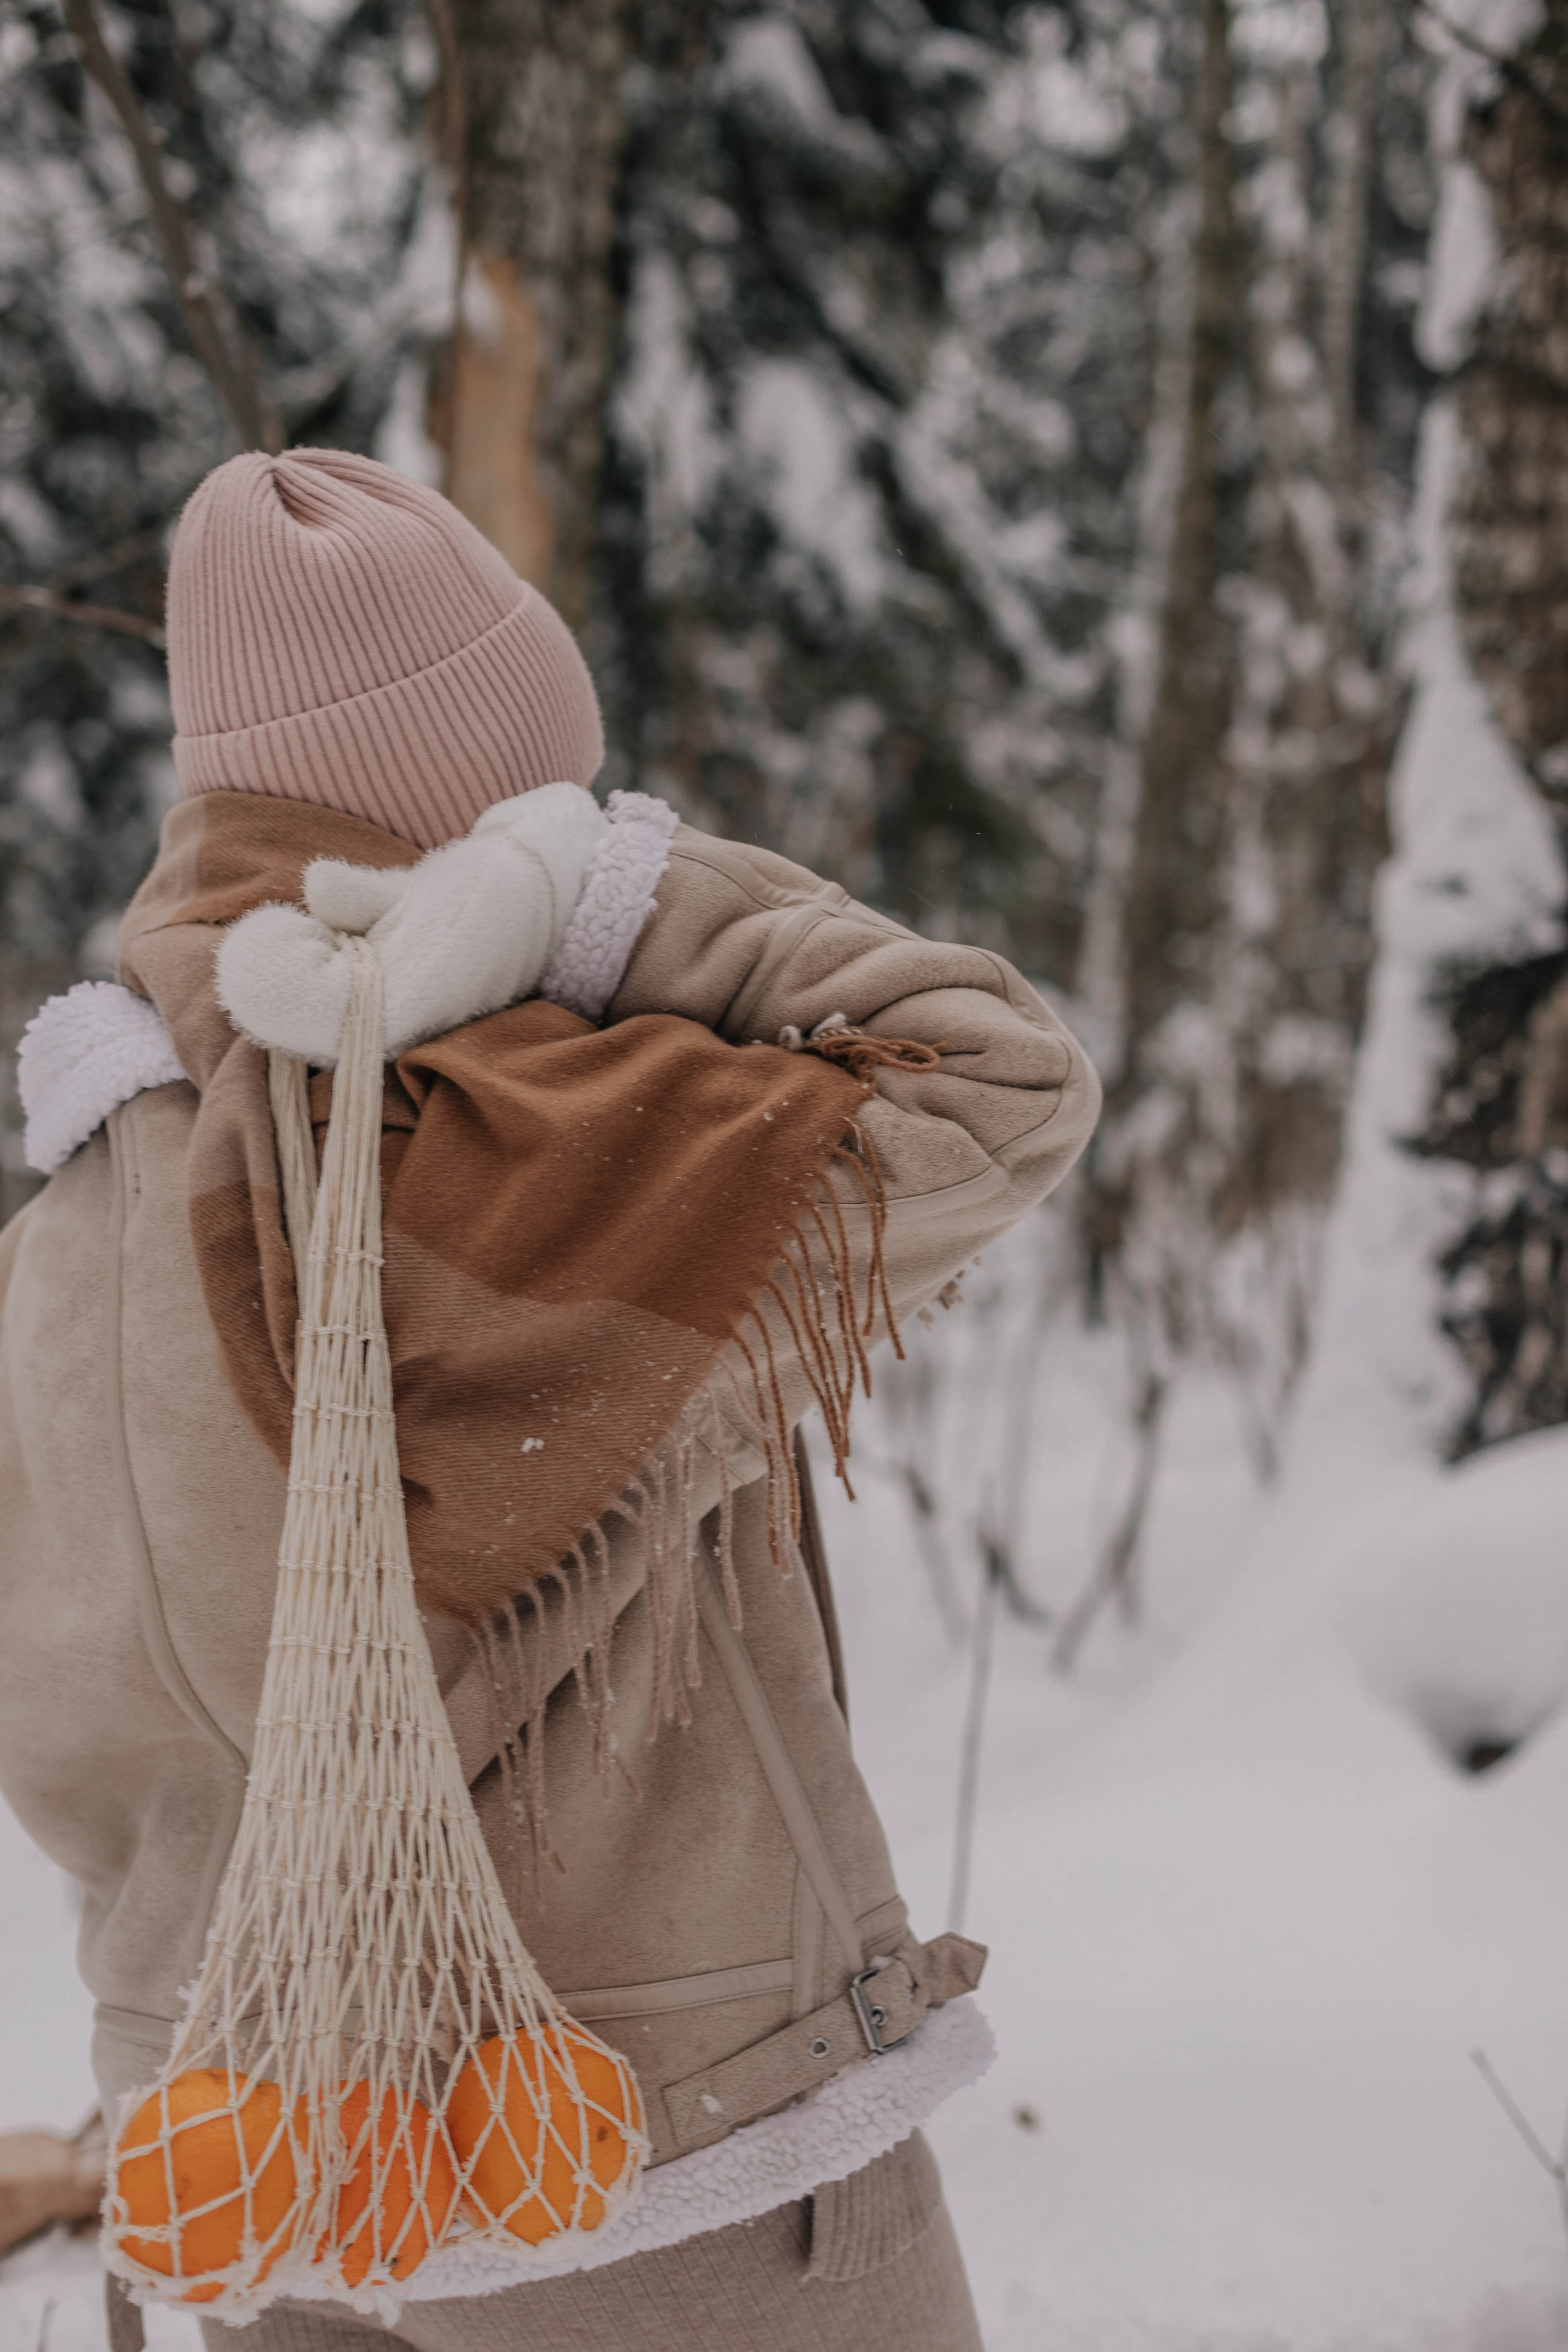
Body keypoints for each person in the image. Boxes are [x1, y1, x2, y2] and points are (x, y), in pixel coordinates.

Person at [0, 448, 1099, 2351]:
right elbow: (996, 1081)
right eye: (541, 796)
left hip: (269, 2169)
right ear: (472, 828)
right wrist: (617, 894)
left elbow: (79, 1727)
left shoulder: (71, 1225)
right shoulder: (547, 1156)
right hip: (643, 2157)